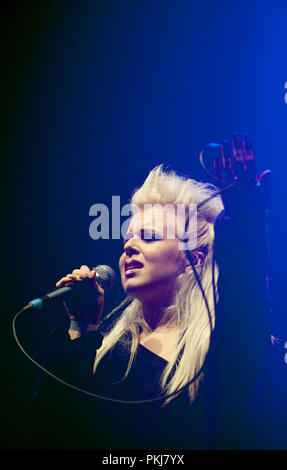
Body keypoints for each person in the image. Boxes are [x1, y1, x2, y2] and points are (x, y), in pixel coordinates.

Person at [29, 161, 272, 450]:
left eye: (149, 237)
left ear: (193, 259)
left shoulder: (219, 350)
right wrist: (81, 328)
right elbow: (51, 434)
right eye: (128, 239)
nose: (129, 246)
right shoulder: (109, 353)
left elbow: (245, 305)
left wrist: (246, 229)